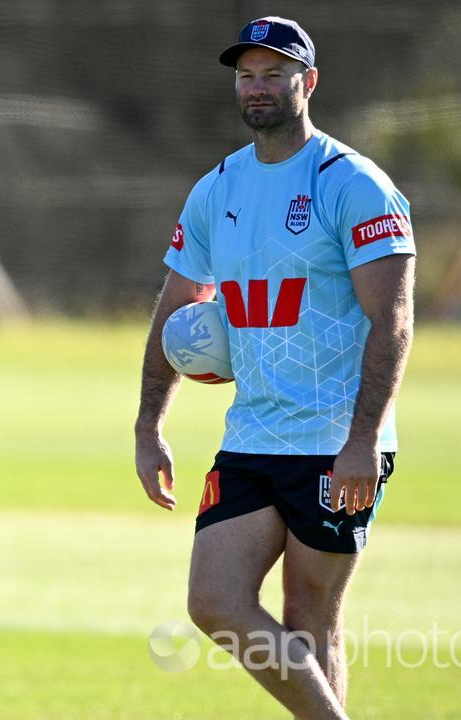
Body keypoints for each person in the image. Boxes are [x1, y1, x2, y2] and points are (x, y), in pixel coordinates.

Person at [134, 17, 415, 720]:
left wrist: (362, 441)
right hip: (253, 435)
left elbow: (394, 322)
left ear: (308, 83)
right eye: (246, 75)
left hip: (334, 440)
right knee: (214, 602)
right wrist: (149, 424)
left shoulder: (352, 184)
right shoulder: (216, 188)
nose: (257, 87)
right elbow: (174, 310)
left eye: (274, 74)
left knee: (310, 612)